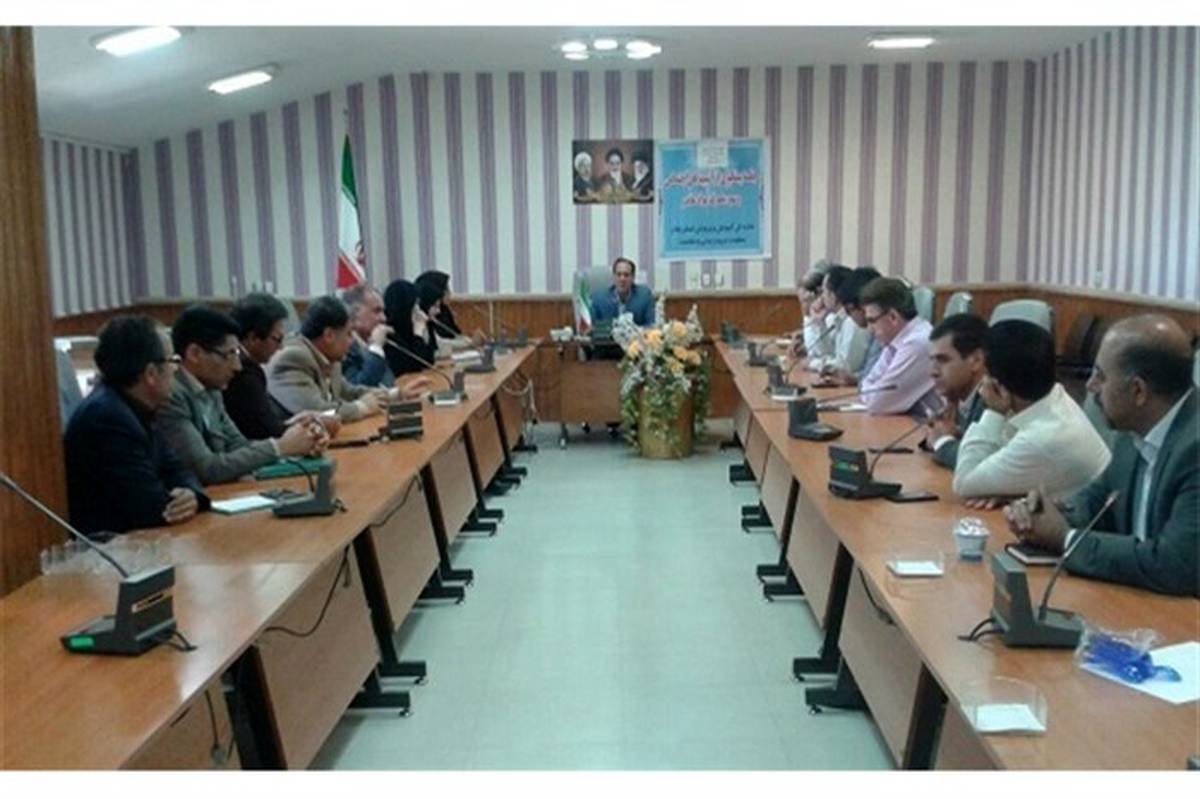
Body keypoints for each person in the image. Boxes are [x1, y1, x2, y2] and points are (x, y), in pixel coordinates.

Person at [1005, 315, 1198, 596]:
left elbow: (1176, 566)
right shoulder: (1133, 430)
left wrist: (1065, 538)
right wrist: (1043, 513)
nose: (1090, 386)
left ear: (1138, 391)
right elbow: (1095, 502)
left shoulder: (1193, 449)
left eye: (1100, 376)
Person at [63, 315, 209, 536]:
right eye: (173, 361)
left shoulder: (136, 406)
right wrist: (185, 498)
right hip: (109, 547)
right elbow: (152, 507)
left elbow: (178, 470)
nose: (176, 370)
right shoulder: (106, 418)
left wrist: (192, 494)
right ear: (150, 374)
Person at [159, 306, 326, 485]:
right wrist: (280, 447)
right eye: (229, 355)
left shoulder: (212, 390)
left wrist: (297, 445)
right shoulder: (171, 396)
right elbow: (206, 469)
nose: (237, 366)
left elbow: (239, 445)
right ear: (195, 354)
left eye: (237, 354)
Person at [953, 320, 1111, 501]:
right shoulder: (1054, 396)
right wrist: (1004, 489)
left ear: (997, 385)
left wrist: (993, 412)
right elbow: (998, 458)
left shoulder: (1043, 437)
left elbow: (964, 482)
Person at [225, 292, 339, 442]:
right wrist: (309, 425)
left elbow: (267, 424)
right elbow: (267, 433)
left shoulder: (248, 366)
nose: (280, 348)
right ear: (253, 338)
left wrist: (298, 421)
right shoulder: (243, 372)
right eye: (277, 339)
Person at [268, 296, 387, 423]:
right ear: (329, 335)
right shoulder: (293, 358)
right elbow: (319, 411)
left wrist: (389, 395)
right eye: (348, 334)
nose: (352, 341)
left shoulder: (329, 356)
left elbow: (348, 392)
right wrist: (362, 407)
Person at [857, 277, 941, 416]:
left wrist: (870, 392)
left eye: (872, 321)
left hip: (932, 425)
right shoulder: (895, 341)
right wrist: (870, 392)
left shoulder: (917, 344)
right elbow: (866, 383)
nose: (869, 329)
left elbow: (877, 403)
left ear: (893, 317)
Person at [923, 313, 988, 471]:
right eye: (932, 361)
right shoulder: (959, 398)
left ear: (976, 361)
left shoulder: (993, 398)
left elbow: (976, 463)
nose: (933, 372)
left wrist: (942, 441)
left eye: (943, 360)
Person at [808, 265, 869, 377]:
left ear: (834, 296)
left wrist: (815, 364)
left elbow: (847, 367)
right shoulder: (838, 319)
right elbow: (826, 353)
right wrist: (819, 323)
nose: (821, 297)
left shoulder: (853, 322)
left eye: (824, 292)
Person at [340, 284, 395, 388]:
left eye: (383, 312)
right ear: (355, 314)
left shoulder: (371, 342)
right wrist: (376, 347)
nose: (384, 318)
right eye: (377, 311)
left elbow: (388, 384)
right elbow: (359, 388)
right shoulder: (344, 348)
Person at [383, 279, 439, 376]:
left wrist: (423, 332)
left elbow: (429, 361)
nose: (418, 311)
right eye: (414, 305)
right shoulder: (389, 335)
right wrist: (418, 334)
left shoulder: (407, 330)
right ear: (403, 306)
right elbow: (414, 366)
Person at [590, 257, 654, 326]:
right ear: (613, 277)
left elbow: (650, 325)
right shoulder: (598, 298)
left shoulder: (644, 296)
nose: (622, 279)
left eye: (626, 275)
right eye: (618, 274)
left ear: (633, 278)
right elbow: (592, 327)